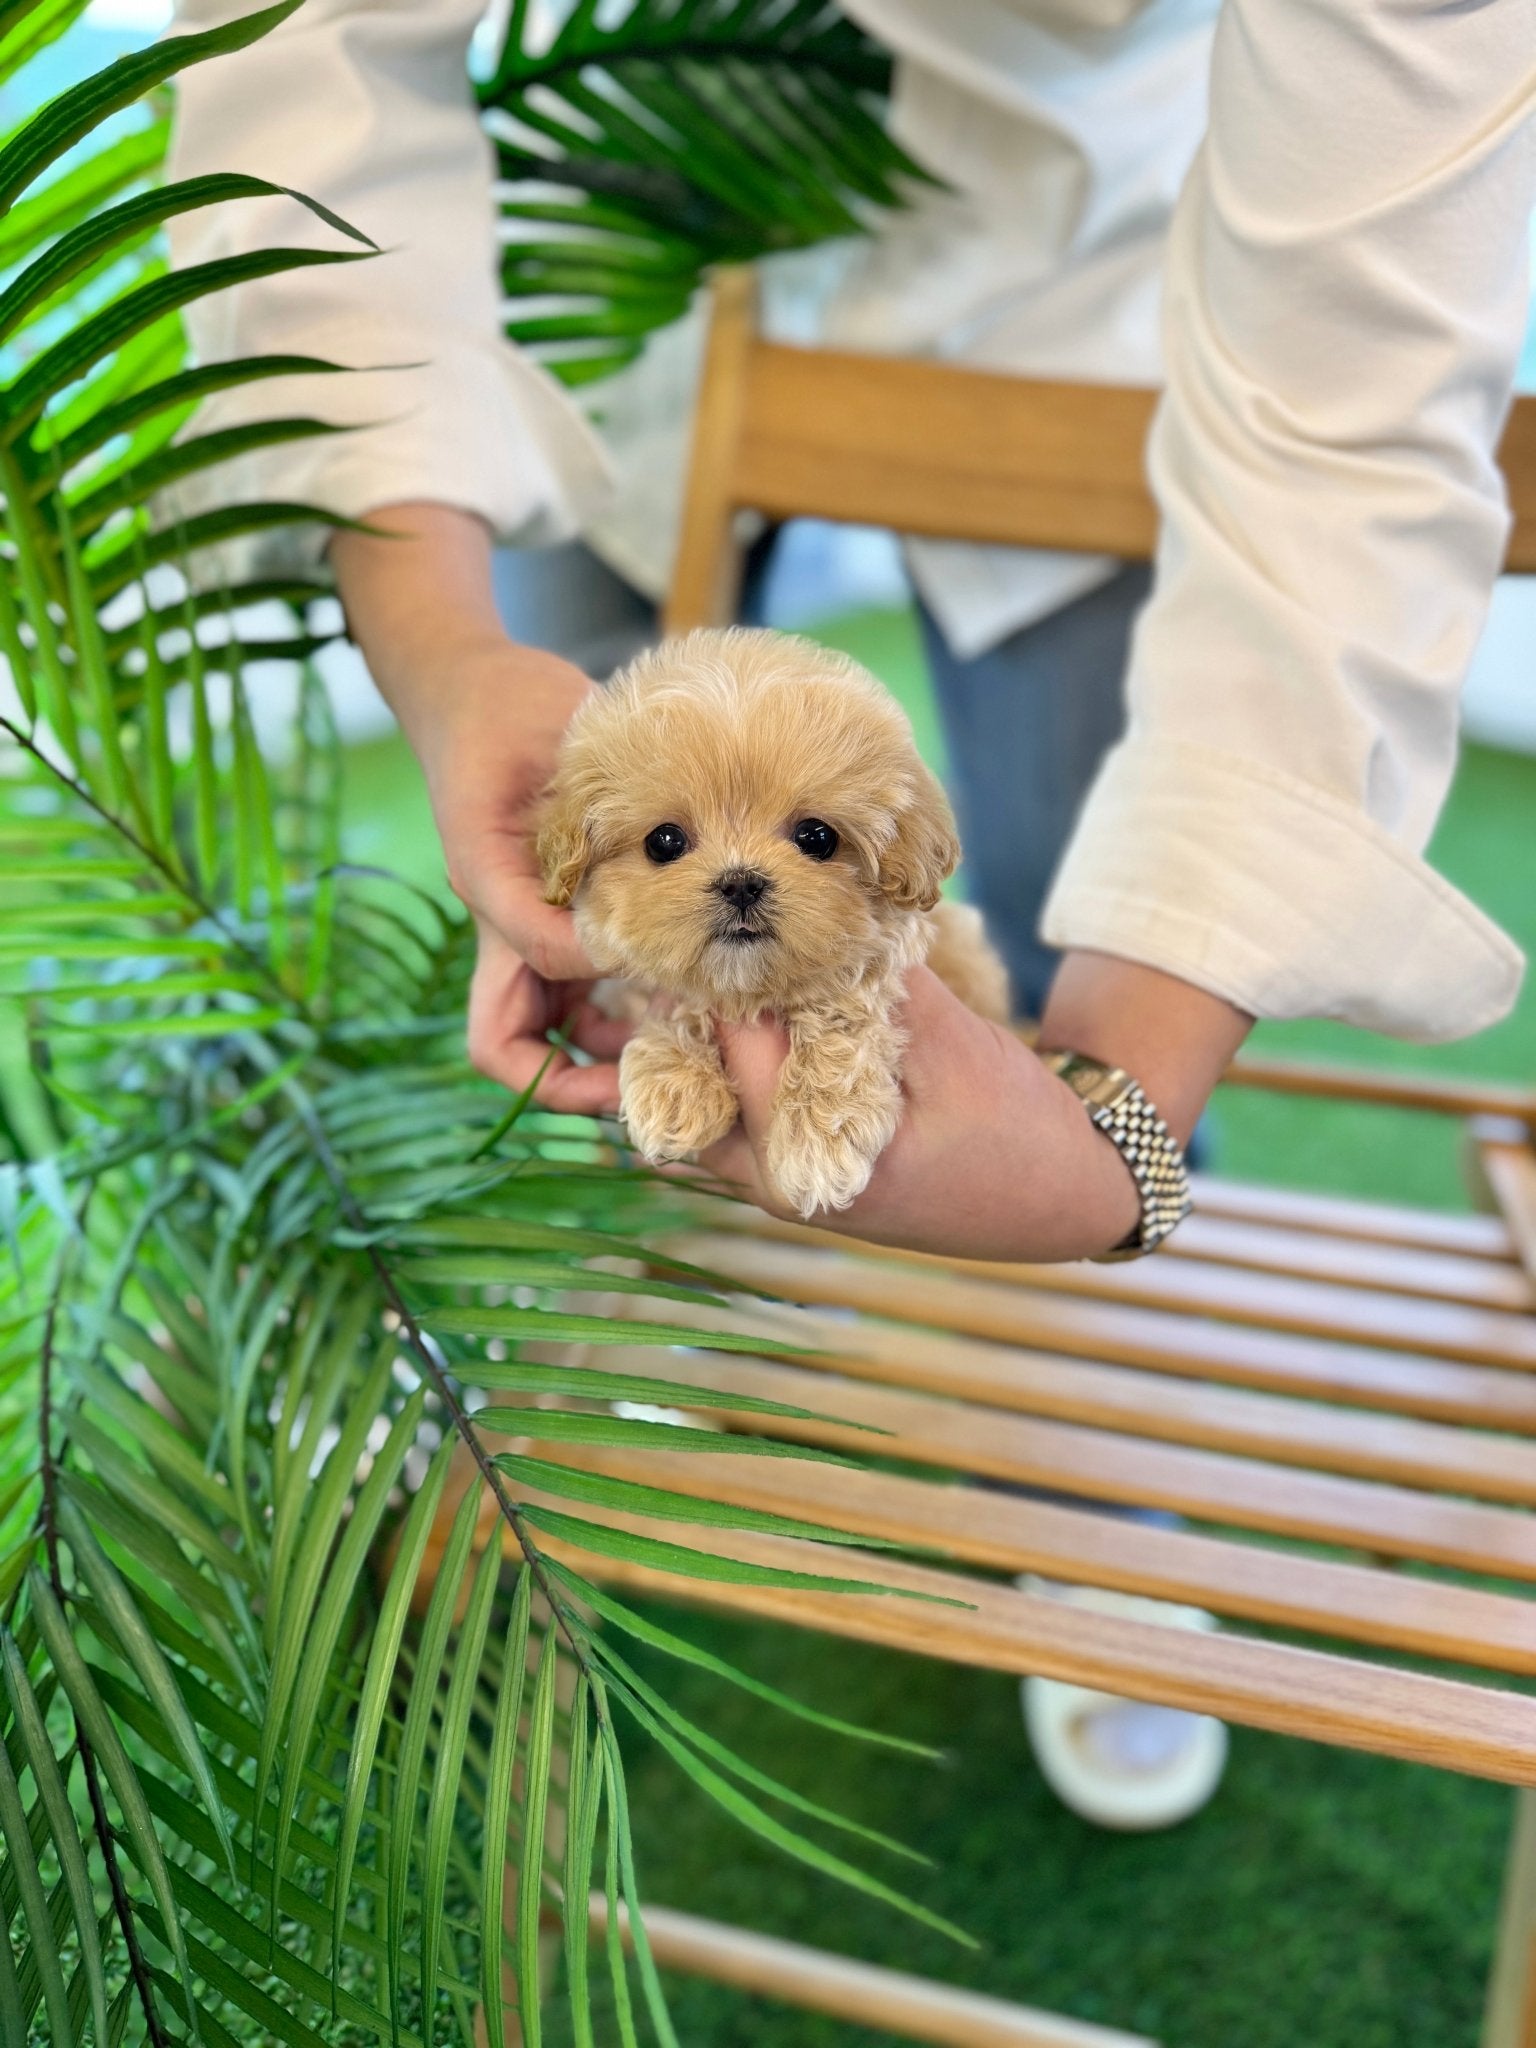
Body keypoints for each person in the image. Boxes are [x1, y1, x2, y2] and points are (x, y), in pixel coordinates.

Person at [166, 0, 1532, 1821]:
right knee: (573, 947)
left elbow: (1355, 385)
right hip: (585, 198)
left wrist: (1105, 1138)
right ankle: (580, 1389)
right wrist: (435, 631)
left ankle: (1086, 1493)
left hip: (1077, 234)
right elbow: (303, 54)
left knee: (1066, 918)